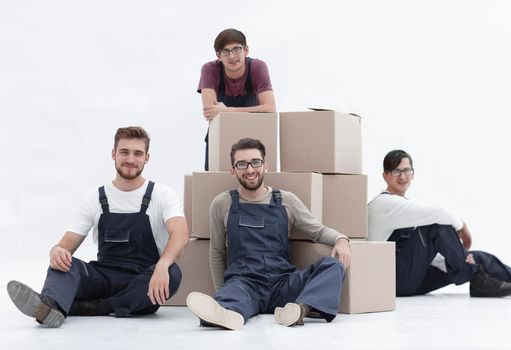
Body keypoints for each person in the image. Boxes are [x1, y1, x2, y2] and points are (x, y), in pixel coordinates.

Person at [7, 126, 189, 327]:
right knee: (64, 265)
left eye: (138, 153)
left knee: (173, 273)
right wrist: (56, 252)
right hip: (102, 278)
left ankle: (92, 307)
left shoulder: (162, 194)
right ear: (113, 154)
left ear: (147, 158)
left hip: (142, 282)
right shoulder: (94, 199)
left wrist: (162, 266)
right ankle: (50, 307)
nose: (130, 159)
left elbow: (180, 234)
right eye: (124, 152)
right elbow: (64, 246)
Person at [186, 138, 351, 330]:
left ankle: (300, 310)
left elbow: (318, 231)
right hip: (244, 284)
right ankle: (227, 312)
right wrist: (223, 293)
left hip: (283, 284)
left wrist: (341, 239)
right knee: (229, 297)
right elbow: (216, 252)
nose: (249, 170)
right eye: (242, 164)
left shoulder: (287, 200)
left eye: (255, 162)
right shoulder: (222, 203)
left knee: (332, 265)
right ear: (233, 170)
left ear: (265, 166)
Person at [367, 149, 511, 298]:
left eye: (406, 170)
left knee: (477, 257)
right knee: (437, 225)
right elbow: (441, 214)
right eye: (396, 171)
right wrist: (462, 228)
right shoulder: (383, 204)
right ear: (385, 175)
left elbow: (425, 251)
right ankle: (476, 278)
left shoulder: (404, 206)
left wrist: (461, 257)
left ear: (413, 173)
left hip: (410, 280)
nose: (402, 176)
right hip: (393, 282)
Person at [198, 28, 276, 170]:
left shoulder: (257, 67)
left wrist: (227, 111)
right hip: (220, 136)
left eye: (236, 49)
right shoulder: (210, 69)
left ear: (246, 50)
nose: (231, 56)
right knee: (215, 182)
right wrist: (223, 112)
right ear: (218, 56)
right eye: (225, 51)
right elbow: (211, 112)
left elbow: (270, 108)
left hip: (253, 136)